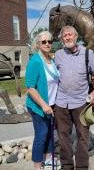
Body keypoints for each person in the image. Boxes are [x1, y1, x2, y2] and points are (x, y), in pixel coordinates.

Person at [54, 25, 94, 170]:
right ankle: (67, 166)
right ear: (62, 39)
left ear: (76, 36)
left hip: (81, 103)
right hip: (61, 103)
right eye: (64, 36)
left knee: (82, 137)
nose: (67, 37)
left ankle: (81, 167)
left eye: (69, 34)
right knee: (63, 137)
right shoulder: (58, 54)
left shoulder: (88, 53)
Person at [25, 31, 59, 170]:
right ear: (38, 44)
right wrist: (44, 104)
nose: (47, 44)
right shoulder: (35, 61)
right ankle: (37, 167)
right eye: (43, 42)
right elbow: (30, 88)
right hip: (38, 106)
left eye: (49, 41)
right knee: (41, 135)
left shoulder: (51, 60)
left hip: (51, 105)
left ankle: (48, 160)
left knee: (51, 134)